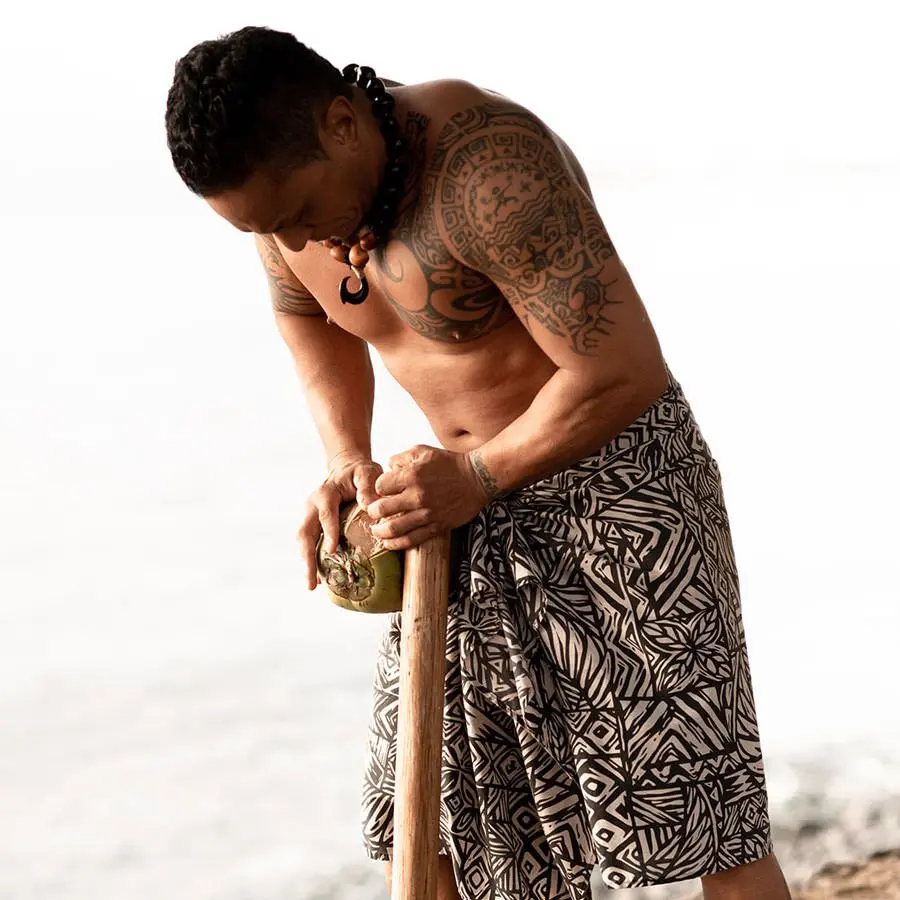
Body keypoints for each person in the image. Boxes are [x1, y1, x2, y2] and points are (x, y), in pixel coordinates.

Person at [165, 25, 792, 900]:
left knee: (701, 827)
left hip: (617, 500)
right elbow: (305, 315)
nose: (289, 234)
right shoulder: (285, 203)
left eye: (296, 211)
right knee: (437, 830)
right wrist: (347, 454)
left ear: (342, 123)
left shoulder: (486, 170)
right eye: (264, 227)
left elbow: (620, 371)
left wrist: (478, 477)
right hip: (449, 513)